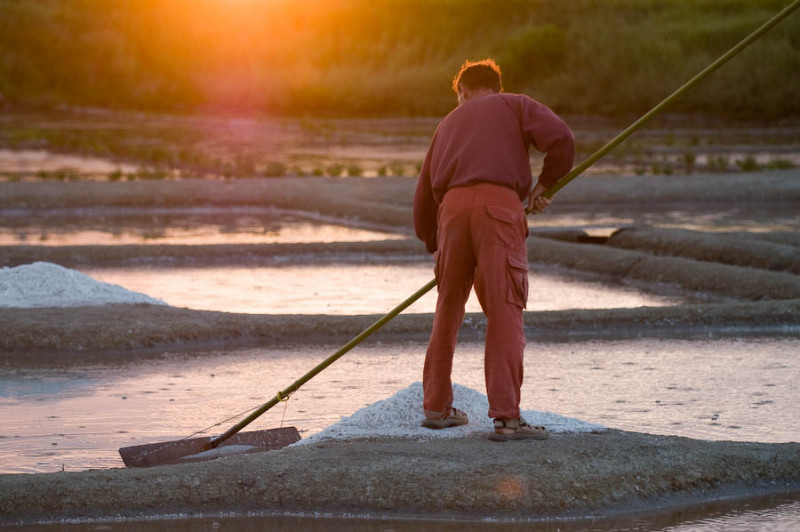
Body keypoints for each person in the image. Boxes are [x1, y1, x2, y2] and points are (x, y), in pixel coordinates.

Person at [413, 59, 575, 441]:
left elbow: (422, 196)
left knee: (448, 307)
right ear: (496, 87)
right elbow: (562, 140)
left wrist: (435, 244)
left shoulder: (447, 123)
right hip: (499, 208)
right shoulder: (515, 105)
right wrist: (544, 186)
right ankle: (506, 418)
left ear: (463, 90)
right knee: (504, 308)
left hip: (450, 214)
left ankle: (436, 408)